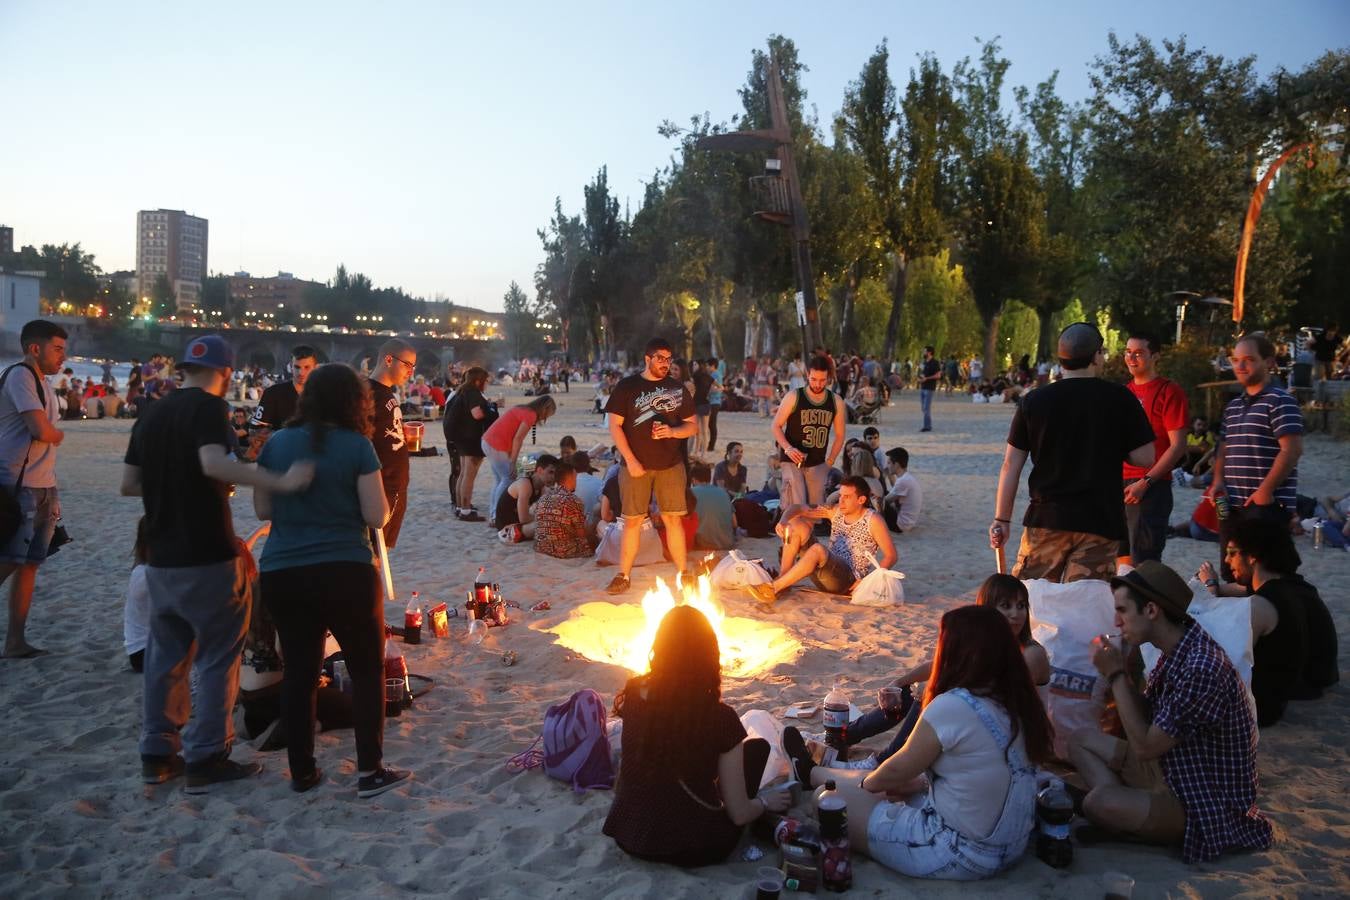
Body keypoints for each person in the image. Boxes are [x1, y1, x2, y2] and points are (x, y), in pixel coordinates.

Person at [121, 335, 314, 792]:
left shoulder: (152, 412)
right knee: (216, 658)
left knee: (166, 658)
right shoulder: (209, 408)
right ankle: (207, 756)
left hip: (160, 558)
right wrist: (278, 480)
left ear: (183, 367)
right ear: (226, 372)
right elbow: (213, 462)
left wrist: (177, 484)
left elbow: (130, 484)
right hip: (206, 551)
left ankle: (158, 752)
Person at [781, 605, 1052, 880]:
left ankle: (812, 776)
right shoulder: (1019, 700)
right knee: (908, 785)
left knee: (829, 799)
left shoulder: (954, 705)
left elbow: (895, 770)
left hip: (958, 852)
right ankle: (813, 772)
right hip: (1011, 846)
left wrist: (867, 788)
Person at [254, 362, 411, 798]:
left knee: (300, 673)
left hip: (284, 570)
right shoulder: (357, 446)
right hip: (345, 569)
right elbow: (377, 515)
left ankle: (303, 772)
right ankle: (369, 771)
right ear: (355, 402)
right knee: (365, 670)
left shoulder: (278, 443)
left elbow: (263, 510)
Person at [1068, 560, 1273, 863]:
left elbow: (1145, 746)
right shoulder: (1177, 649)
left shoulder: (1201, 668)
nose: (1117, 622)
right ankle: (1123, 815)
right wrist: (1122, 672)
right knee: (1079, 740)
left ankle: (1120, 816)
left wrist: (1114, 676)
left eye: (1123, 611)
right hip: (1173, 769)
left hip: (1202, 801)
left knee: (1098, 801)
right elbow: (1150, 718)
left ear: (1151, 611)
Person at [788, 575, 1050, 773]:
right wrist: (899, 683)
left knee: (931, 695)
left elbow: (995, 695)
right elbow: (942, 663)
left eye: (1021, 606)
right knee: (911, 692)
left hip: (1010, 735)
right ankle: (842, 737)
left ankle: (883, 760)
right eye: (1006, 606)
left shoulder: (1031, 655)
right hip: (985, 724)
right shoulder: (990, 645)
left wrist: (935, 688)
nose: (1016, 614)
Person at [602, 605, 791, 865]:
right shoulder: (719, 717)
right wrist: (764, 802)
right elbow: (738, 814)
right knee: (757, 750)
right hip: (693, 846)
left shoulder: (635, 693)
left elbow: (628, 773)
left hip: (629, 833)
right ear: (709, 655)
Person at [990, 323, 1155, 583]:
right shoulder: (1120, 399)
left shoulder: (1034, 401)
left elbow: (1011, 464)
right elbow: (1145, 458)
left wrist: (1002, 519)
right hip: (1101, 521)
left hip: (1047, 519)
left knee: (1035, 602)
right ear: (1096, 355)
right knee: (1085, 607)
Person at [1197, 518, 1338, 726]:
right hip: (1288, 692)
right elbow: (1232, 589)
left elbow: (1223, 663)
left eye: (1232, 553)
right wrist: (1212, 586)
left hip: (1264, 707)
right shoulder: (1280, 588)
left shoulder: (1262, 605)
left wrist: (1209, 586)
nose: (1227, 561)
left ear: (1253, 557)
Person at [603, 338, 696, 594]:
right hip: (635, 465)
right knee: (631, 521)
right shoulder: (628, 387)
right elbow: (614, 426)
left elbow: (692, 425)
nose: (665, 364)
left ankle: (684, 573)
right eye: (660, 358)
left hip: (670, 464)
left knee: (672, 519)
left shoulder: (677, 389)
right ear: (648, 359)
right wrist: (631, 460)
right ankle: (623, 575)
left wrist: (672, 431)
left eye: (668, 359)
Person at [1211, 333, 1304, 581]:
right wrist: (1217, 481)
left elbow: (1292, 450)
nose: (1240, 366)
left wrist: (1266, 490)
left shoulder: (1281, 401)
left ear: (1270, 362)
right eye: (1236, 359)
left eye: (1249, 359)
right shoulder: (1233, 406)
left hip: (1265, 506)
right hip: (1229, 503)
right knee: (1231, 571)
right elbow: (1224, 446)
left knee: (1264, 574)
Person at [0, 321, 66, 658]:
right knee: (11, 559)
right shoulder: (20, 376)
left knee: (29, 563)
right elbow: (40, 429)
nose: (63, 356)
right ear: (34, 348)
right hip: (18, 483)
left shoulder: (44, 382)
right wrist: (57, 435)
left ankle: (15, 641)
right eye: (57, 349)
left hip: (43, 484)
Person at [751, 477, 896, 605]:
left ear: (861, 500)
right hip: (826, 571)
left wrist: (867, 582)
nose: (841, 501)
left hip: (848, 580)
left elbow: (891, 555)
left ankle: (774, 588)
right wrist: (783, 521)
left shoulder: (873, 520)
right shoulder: (835, 511)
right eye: (840, 496)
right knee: (796, 523)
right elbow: (798, 508)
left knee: (818, 549)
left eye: (847, 497)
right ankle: (784, 579)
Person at [1120, 333, 1190, 564]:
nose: (1131, 358)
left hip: (1151, 485)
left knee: (1144, 559)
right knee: (1121, 559)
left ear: (1155, 356)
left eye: (1139, 353)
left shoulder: (1169, 392)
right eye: (1128, 352)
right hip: (1119, 483)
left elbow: (1178, 445)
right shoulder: (1123, 393)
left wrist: (1146, 482)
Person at [772, 357, 845, 509]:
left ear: (828, 378)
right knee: (796, 503)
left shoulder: (835, 401)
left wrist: (830, 462)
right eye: (814, 379)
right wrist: (788, 448)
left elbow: (840, 435)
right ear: (807, 374)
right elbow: (776, 426)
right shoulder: (793, 397)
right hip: (792, 458)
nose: (817, 384)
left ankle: (809, 533)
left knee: (815, 508)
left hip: (818, 461)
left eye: (822, 380)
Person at [367, 339, 417, 550]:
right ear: (389, 359)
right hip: (382, 486)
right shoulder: (368, 394)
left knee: (382, 552)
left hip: (395, 485)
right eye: (408, 365)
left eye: (413, 367)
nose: (411, 372)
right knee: (375, 552)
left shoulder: (387, 393)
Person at [482, 395, 557, 526]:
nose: (545, 418)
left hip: (488, 441)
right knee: (508, 478)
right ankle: (495, 514)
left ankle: (493, 513)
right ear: (544, 409)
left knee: (499, 480)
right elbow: (518, 439)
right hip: (496, 444)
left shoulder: (523, 409)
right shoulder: (531, 415)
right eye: (548, 415)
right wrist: (512, 462)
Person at [247, 345, 319, 458]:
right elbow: (255, 430)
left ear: (315, 368)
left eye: (307, 367)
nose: (301, 372)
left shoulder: (324, 396)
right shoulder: (273, 393)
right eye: (297, 367)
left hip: (313, 459)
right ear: (291, 366)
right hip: (280, 456)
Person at [444, 365, 494, 522]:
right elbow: (477, 414)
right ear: (478, 381)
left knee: (463, 475)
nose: (487, 384)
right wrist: (490, 408)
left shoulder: (462, 391)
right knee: (469, 476)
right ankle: (466, 510)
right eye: (485, 381)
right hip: (471, 438)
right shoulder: (473, 392)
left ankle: (460, 507)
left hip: (460, 438)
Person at [533, 461, 592, 559]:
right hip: (564, 552)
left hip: (541, 548)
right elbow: (581, 533)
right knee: (591, 528)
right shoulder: (573, 500)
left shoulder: (543, 498)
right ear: (571, 477)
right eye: (575, 477)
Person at [496, 454, 559, 544]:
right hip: (507, 530)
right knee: (547, 524)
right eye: (550, 472)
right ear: (540, 470)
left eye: (555, 474)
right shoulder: (525, 485)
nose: (553, 477)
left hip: (519, 525)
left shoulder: (542, 488)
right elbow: (524, 519)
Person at [689, 462, 736, 551]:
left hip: (702, 544)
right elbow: (735, 523)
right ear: (709, 478)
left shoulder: (690, 493)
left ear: (693, 480)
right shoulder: (723, 492)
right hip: (726, 543)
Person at [881, 447, 922, 533]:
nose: (887, 466)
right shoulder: (907, 477)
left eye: (889, 463)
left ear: (896, 464)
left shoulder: (903, 481)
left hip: (901, 525)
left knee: (875, 501)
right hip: (907, 522)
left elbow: (885, 502)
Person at [918, 346, 941, 432]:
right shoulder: (924, 363)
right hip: (923, 387)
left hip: (930, 388)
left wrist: (927, 378)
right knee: (923, 408)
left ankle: (927, 426)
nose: (923, 353)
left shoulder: (935, 362)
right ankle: (928, 425)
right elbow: (922, 373)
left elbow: (938, 375)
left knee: (926, 407)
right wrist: (920, 378)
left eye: (925, 351)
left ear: (929, 352)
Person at [705, 357, 725, 452]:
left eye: (708, 366)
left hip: (714, 401)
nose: (707, 368)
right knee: (711, 424)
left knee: (711, 424)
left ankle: (711, 445)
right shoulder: (715, 374)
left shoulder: (715, 375)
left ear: (713, 366)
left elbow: (714, 388)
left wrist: (705, 392)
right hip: (714, 401)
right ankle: (710, 445)